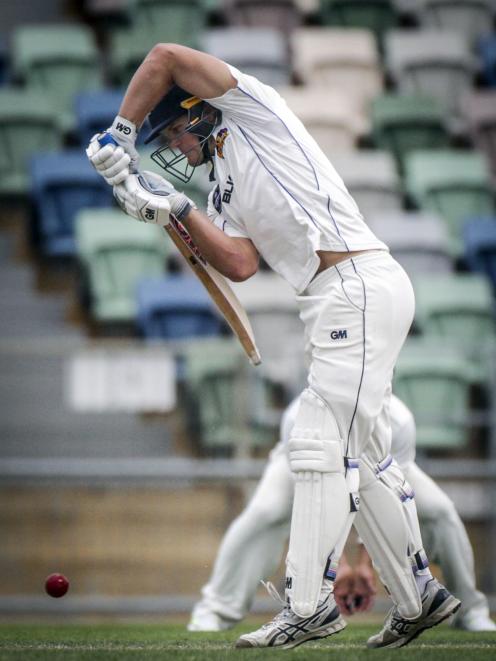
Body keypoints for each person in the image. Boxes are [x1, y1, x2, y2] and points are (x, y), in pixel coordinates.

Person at [86, 43, 460, 649]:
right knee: (360, 457)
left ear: (198, 112)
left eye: (175, 135)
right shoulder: (221, 192)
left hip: (357, 285)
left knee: (315, 442)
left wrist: (120, 135)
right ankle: (420, 598)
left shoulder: (252, 108)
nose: (178, 151)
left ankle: (308, 604)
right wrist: (171, 210)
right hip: (336, 299)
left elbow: (163, 56)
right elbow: (237, 264)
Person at [188, 395, 496, 633]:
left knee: (439, 511)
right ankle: (215, 610)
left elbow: (389, 499)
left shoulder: (399, 424)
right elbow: (317, 503)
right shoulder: (301, 420)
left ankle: (470, 610)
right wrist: (337, 569)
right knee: (265, 512)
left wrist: (365, 565)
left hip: (382, 469)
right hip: (301, 463)